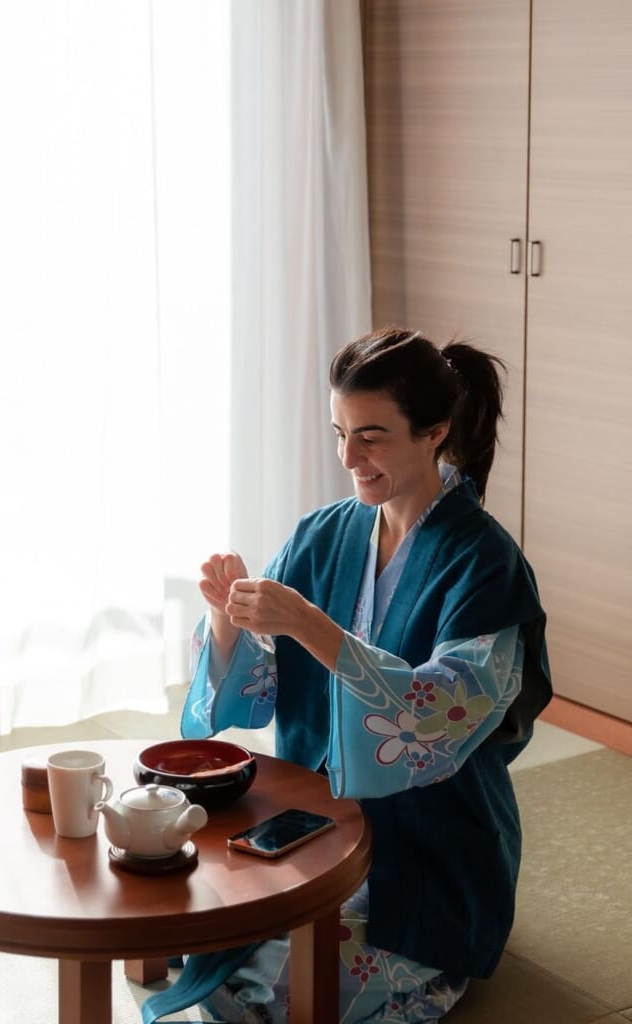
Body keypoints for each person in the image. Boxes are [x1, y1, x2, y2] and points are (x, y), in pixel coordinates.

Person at [142, 326, 552, 1024]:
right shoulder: (322, 532)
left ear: (433, 432)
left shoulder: (483, 561)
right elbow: (261, 681)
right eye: (338, 433)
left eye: (371, 436)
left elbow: (437, 718)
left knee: (275, 987)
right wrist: (225, 619)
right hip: (311, 819)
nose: (348, 457)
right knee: (189, 914)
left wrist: (311, 626)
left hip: (430, 839)